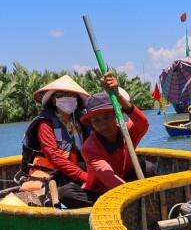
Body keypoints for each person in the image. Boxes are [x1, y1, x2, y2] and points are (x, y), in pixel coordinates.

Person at [57, 72, 151, 209]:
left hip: (126, 181)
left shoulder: (127, 131)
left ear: (115, 115)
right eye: (96, 120)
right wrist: (135, 196)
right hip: (100, 193)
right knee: (66, 194)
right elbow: (108, 177)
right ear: (91, 123)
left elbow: (143, 124)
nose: (102, 125)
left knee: (147, 167)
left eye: (106, 117)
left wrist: (118, 96)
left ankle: (125, 202)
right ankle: (118, 205)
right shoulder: (89, 148)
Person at [21, 75, 92, 197]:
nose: (67, 98)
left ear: (76, 98)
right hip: (57, 172)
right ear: (53, 99)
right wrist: (83, 176)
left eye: (71, 95)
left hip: (81, 166)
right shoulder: (46, 123)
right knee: (68, 194)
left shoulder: (81, 119)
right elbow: (54, 156)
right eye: (61, 95)